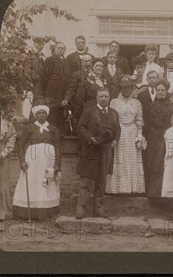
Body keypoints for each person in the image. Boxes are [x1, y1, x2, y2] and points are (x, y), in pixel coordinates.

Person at [76, 88, 120, 218]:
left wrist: (115, 140)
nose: (104, 99)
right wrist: (90, 138)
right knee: (86, 180)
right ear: (96, 98)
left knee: (101, 181)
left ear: (109, 97)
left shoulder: (114, 113)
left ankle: (99, 209)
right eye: (101, 96)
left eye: (106, 96)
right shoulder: (89, 112)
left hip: (106, 150)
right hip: (91, 149)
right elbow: (80, 127)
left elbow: (118, 129)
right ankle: (81, 209)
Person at [12, 105, 61, 220]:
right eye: (39, 113)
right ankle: (28, 212)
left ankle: (47, 212)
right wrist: (22, 161)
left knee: (47, 181)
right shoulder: (29, 128)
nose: (41, 115)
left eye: (44, 113)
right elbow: (21, 144)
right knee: (32, 182)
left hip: (48, 160)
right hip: (32, 161)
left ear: (47, 115)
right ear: (35, 115)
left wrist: (57, 163)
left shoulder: (53, 129)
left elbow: (58, 146)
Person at [107, 75, 146, 194]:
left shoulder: (136, 102)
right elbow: (111, 120)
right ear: (121, 89)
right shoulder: (114, 102)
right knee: (119, 158)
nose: (127, 90)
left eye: (129, 87)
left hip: (133, 132)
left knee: (132, 159)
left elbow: (139, 119)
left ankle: (133, 188)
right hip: (120, 132)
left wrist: (139, 134)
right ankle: (118, 188)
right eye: (124, 88)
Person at [143, 80, 173, 201]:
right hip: (153, 138)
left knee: (163, 165)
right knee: (152, 163)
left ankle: (164, 195)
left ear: (166, 92)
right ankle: (152, 194)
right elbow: (147, 122)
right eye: (158, 90)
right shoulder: (150, 106)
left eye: (162, 90)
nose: (160, 92)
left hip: (166, 138)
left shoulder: (172, 107)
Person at [37, 41, 72, 132]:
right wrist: (44, 95)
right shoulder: (50, 60)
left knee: (61, 118)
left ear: (65, 50)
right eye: (58, 48)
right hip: (51, 94)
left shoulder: (67, 62)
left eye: (62, 48)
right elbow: (43, 78)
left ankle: (60, 137)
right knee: (51, 117)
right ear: (55, 49)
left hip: (63, 95)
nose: (60, 50)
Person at [0, 114, 17, 221]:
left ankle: (3, 212)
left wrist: (4, 152)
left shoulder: (7, 124)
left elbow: (12, 136)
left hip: (2, 153)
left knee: (3, 181)